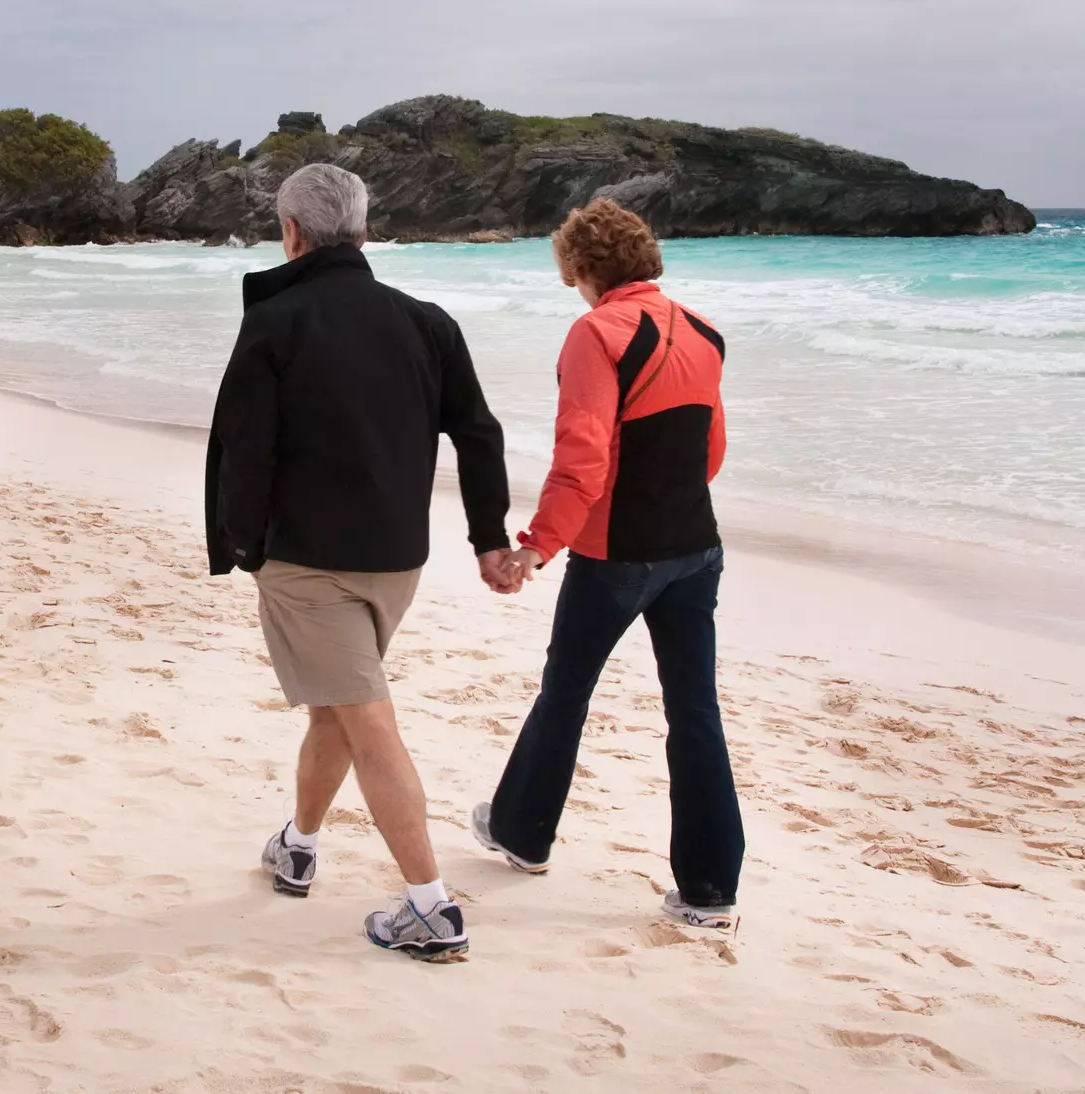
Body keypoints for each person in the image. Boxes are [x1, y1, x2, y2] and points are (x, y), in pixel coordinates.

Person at [209, 162, 515, 963]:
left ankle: (430, 907)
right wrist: (489, 537)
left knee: (366, 718)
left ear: (293, 232)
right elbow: (479, 432)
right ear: (365, 231)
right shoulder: (426, 322)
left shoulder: (277, 321)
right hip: (396, 561)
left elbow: (247, 448)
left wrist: (243, 546)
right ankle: (299, 845)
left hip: (308, 561)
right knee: (339, 709)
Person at [471, 198, 743, 930]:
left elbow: (583, 456)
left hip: (617, 553)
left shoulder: (598, 332)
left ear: (580, 268)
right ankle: (711, 892)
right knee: (695, 713)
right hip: (697, 548)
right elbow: (711, 450)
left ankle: (523, 836)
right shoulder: (704, 331)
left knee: (565, 693)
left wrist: (535, 545)